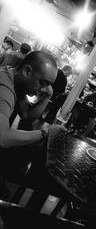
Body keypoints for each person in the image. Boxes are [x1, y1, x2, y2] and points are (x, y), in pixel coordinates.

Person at [0, 50, 58, 181]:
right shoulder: (4, 88)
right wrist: (44, 133)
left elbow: (27, 115)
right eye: (43, 82)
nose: (45, 89)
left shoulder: (14, 79)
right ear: (27, 71)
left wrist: (48, 96)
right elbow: (2, 138)